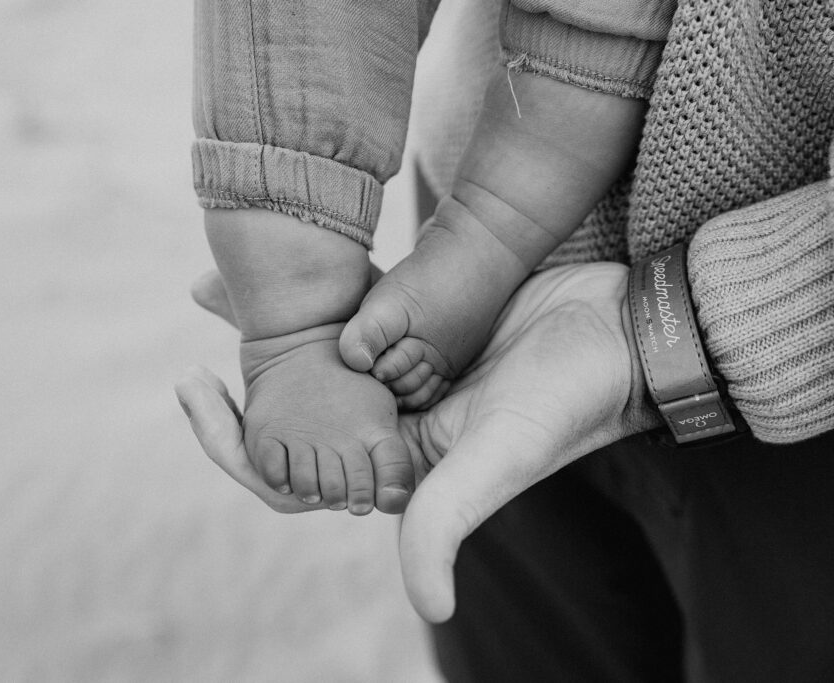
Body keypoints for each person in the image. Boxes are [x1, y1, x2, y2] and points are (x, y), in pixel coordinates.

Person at [183, 0, 834, 679]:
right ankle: (474, 234)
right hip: (493, 273)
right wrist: (300, 276)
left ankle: (465, 239)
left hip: (805, 389)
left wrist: (745, 315)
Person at [194, 0, 652, 515]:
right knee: (599, 28)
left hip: (715, 387)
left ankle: (481, 239)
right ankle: (475, 240)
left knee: (600, 30)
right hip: (558, 315)